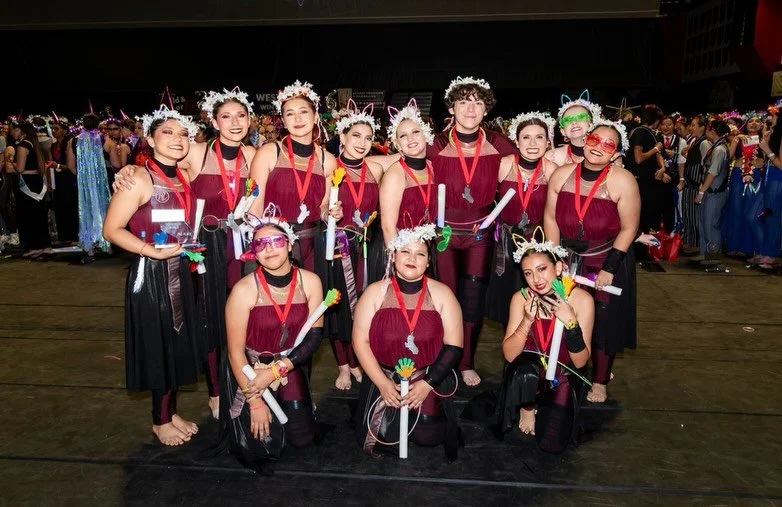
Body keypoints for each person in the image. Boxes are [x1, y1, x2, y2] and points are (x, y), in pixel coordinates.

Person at [101, 107, 206, 446]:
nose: (177, 140)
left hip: (182, 271)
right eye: (167, 133)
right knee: (159, 347)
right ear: (150, 138)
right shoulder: (139, 179)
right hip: (152, 276)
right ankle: (159, 421)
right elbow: (111, 229)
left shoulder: (183, 176)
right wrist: (150, 250)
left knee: (174, 346)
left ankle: (169, 411)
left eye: (183, 134)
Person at [429, 76, 517, 386]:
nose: (471, 108)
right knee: (445, 299)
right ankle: (444, 360)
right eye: (464, 101)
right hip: (444, 235)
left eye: (478, 102)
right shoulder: (435, 143)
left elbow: (538, 165)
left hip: (481, 233)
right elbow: (399, 166)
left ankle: (466, 362)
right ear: (451, 106)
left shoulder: (500, 143)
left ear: (486, 110)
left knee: (472, 299)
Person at [545, 119, 640, 403]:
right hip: (568, 259)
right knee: (566, 314)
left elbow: (629, 228)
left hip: (606, 259)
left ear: (615, 153)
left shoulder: (623, 180)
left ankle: (599, 380)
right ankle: (566, 369)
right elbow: (550, 218)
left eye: (608, 144)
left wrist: (610, 267)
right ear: (585, 140)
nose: (599, 147)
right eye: (595, 140)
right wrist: (554, 256)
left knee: (604, 321)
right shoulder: (562, 174)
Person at [222, 217, 324, 474]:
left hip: (288, 365)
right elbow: (235, 352)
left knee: (302, 439)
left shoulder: (310, 281)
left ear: (290, 245)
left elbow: (313, 338)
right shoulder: (243, 290)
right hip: (249, 371)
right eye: (260, 244)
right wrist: (254, 401)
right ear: (253, 253)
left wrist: (276, 371)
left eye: (276, 241)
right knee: (261, 448)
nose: (269, 249)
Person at [352, 224, 463, 461]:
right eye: (405, 252)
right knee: (382, 439)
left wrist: (428, 384)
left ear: (428, 261)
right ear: (392, 256)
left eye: (420, 254)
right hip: (386, 379)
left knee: (428, 436)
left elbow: (454, 347)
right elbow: (360, 341)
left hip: (427, 378)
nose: (412, 258)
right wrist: (382, 384)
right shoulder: (374, 292)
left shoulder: (443, 294)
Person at [475, 235, 593, 453]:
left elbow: (580, 361)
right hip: (528, 374)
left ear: (558, 267)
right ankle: (527, 406)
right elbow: (510, 355)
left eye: (542, 269)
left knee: (551, 444)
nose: (536, 279)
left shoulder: (581, 300)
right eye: (528, 273)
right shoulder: (520, 299)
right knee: (525, 369)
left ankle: (549, 403)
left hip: (562, 373)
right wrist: (527, 321)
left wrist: (571, 323)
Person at [249, 80, 340, 272]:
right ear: (283, 120)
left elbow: (323, 206)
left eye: (304, 112)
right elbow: (254, 210)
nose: (297, 119)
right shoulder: (269, 153)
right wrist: (264, 246)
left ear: (315, 116)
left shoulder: (328, 160)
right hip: (274, 245)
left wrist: (331, 213)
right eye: (290, 113)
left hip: (313, 246)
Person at [324, 101, 384, 390]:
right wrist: (329, 213)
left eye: (368, 137)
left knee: (363, 306)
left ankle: (360, 359)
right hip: (338, 246)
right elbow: (323, 207)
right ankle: (343, 366)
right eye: (356, 136)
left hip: (367, 247)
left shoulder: (376, 166)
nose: (362, 143)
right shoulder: (330, 167)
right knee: (338, 307)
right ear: (343, 137)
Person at [486, 112, 559, 326]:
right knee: (507, 300)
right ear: (516, 141)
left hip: (536, 242)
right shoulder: (504, 164)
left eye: (539, 137)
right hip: (505, 241)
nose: (533, 143)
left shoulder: (552, 170)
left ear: (548, 142)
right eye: (526, 137)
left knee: (537, 297)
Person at [377, 99, 436, 243]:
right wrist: (398, 258)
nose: (410, 139)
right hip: (405, 251)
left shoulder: (433, 167)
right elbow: (388, 228)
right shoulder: (395, 175)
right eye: (403, 135)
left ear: (426, 134)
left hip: (432, 249)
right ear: (397, 143)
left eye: (415, 132)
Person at [67, 113, 112, 263]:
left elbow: (70, 166)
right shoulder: (104, 139)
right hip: (101, 184)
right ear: (98, 124)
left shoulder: (73, 141)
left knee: (86, 211)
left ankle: (90, 248)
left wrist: (84, 178)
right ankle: (104, 243)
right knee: (103, 209)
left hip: (84, 185)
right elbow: (114, 162)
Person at [7, 120, 51, 258]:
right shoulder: (33, 143)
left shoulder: (22, 145)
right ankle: (45, 246)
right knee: (39, 215)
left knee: (28, 215)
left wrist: (10, 162)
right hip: (36, 182)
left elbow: (20, 168)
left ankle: (34, 246)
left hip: (27, 184)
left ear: (21, 131)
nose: (12, 133)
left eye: (14, 130)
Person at [694, 119, 731, 262]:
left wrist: (702, 191)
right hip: (709, 190)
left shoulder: (720, 149)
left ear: (713, 131)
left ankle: (714, 256)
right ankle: (705, 253)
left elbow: (713, 172)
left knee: (711, 224)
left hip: (715, 192)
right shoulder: (715, 147)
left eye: (708, 129)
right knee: (703, 222)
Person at [627, 104, 665, 235]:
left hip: (649, 180)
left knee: (651, 213)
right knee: (644, 214)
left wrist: (662, 168)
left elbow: (657, 155)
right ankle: (643, 249)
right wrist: (656, 149)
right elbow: (638, 158)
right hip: (642, 182)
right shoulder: (640, 132)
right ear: (656, 120)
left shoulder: (650, 133)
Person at [545, 91, 603, 166]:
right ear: (563, 131)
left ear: (592, 123)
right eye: (568, 120)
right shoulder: (552, 157)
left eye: (581, 117)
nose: (574, 122)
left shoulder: (604, 155)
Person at [681, 115, 710, 252]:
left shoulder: (704, 143)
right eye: (691, 125)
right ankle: (689, 240)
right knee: (688, 212)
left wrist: (700, 184)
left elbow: (704, 164)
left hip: (695, 182)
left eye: (694, 125)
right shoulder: (694, 140)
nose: (691, 128)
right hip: (689, 180)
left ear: (702, 128)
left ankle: (696, 243)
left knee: (694, 214)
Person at [757, 108, 782, 269]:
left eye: (772, 116)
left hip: (777, 179)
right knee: (766, 216)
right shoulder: (773, 135)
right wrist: (766, 141)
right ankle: (765, 251)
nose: (769, 118)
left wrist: (768, 150)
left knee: (773, 217)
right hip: (768, 176)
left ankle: (772, 254)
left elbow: (781, 165)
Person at [48, 117, 78, 244]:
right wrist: (49, 181)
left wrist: (58, 166)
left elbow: (72, 166)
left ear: (65, 130)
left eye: (57, 129)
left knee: (70, 207)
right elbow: (50, 164)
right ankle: (63, 236)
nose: (54, 131)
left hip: (69, 178)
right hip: (58, 179)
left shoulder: (70, 143)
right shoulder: (53, 145)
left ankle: (73, 236)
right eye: (53, 128)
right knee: (59, 207)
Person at [657, 115, 687, 233]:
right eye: (663, 124)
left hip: (673, 180)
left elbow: (681, 163)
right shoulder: (656, 138)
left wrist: (681, 180)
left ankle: (670, 236)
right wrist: (662, 173)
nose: (666, 127)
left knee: (670, 209)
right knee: (657, 209)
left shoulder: (681, 141)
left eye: (669, 124)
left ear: (674, 126)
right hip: (658, 178)